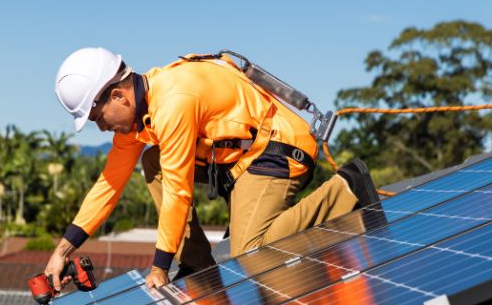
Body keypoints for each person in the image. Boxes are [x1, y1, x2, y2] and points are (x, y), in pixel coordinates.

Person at [43, 47, 379, 290]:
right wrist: (62, 251)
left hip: (277, 150)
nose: (100, 128)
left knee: (251, 251)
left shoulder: (173, 102)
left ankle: (346, 188)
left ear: (118, 96)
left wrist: (160, 266)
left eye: (98, 117)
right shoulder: (138, 119)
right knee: (152, 160)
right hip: (240, 163)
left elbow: (178, 190)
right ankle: (197, 264)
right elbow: (109, 184)